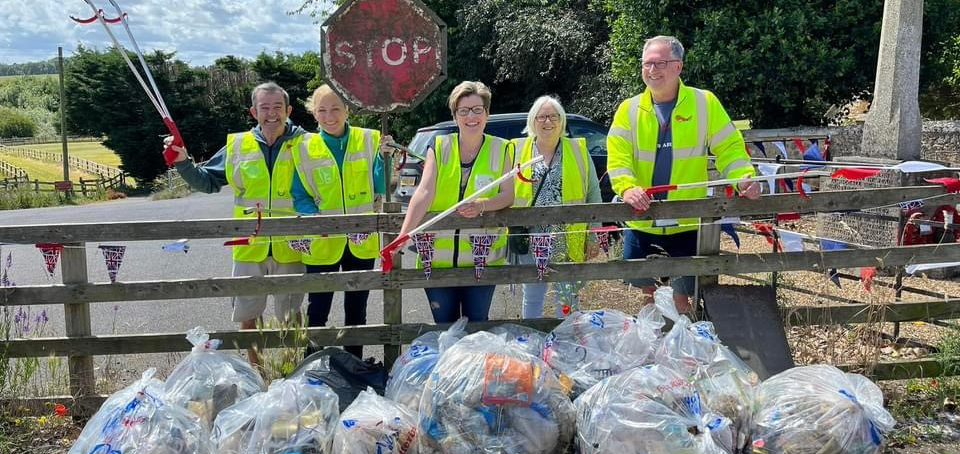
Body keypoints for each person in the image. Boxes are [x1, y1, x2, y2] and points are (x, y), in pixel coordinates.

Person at [606, 36, 760, 314]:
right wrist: (627, 188)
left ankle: (687, 353)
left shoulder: (705, 102)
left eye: (660, 63)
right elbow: (618, 158)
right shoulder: (627, 110)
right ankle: (650, 352)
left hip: (689, 221)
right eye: (647, 63)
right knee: (647, 299)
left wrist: (743, 177)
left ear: (678, 67)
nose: (652, 70)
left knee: (683, 301)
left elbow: (730, 148)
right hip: (642, 221)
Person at [165, 81, 307, 368]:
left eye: (278, 107)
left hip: (291, 242)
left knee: (291, 313)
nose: (271, 113)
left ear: (289, 109)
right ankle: (256, 372)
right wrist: (182, 162)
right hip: (249, 244)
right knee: (248, 313)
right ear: (253, 111)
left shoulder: (306, 143)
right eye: (264, 107)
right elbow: (206, 181)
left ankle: (292, 370)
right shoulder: (237, 145)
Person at [396, 81, 515, 323]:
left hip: (483, 260)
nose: (471, 116)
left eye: (477, 109)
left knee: (477, 324)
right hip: (437, 260)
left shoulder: (502, 148)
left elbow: (507, 195)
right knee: (445, 326)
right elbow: (424, 191)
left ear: (487, 113)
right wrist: (404, 234)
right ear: (455, 115)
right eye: (463, 110)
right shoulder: (439, 146)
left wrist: (482, 205)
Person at [290, 84, 388, 359]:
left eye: (335, 108)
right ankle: (311, 364)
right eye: (322, 110)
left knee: (357, 308)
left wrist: (385, 158)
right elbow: (300, 195)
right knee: (318, 307)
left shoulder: (370, 139)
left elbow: (380, 183)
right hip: (323, 242)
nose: (329, 115)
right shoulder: (303, 147)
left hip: (361, 240)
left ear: (348, 109)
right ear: (313, 113)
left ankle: (353, 363)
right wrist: (319, 221)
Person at [511, 96, 602, 319]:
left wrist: (593, 234)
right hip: (531, 236)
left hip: (567, 236)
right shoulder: (516, 149)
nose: (547, 122)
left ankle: (566, 339)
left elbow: (593, 193)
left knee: (568, 295)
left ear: (561, 121)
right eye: (541, 117)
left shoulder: (578, 149)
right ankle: (532, 338)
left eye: (553, 116)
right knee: (532, 293)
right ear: (532, 121)